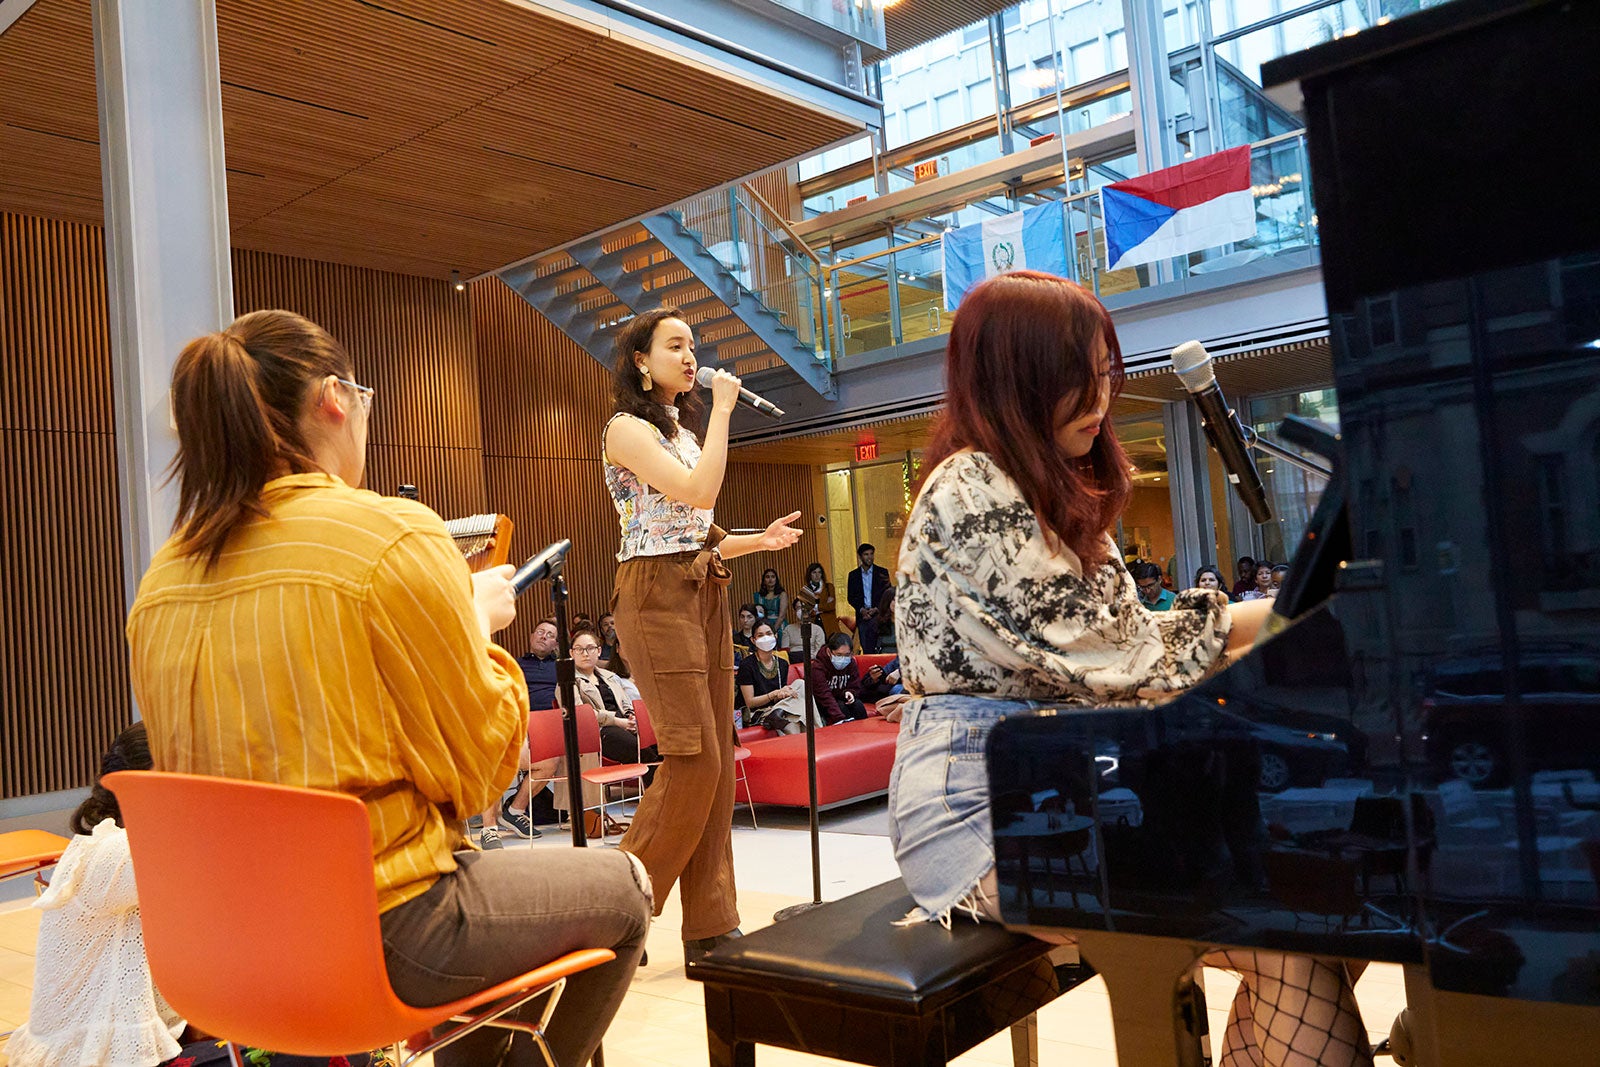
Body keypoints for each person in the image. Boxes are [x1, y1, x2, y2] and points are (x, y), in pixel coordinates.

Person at [125, 309, 650, 1067]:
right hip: (376, 937)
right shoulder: (393, 534)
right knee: (624, 887)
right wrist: (472, 626)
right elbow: (479, 777)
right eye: (366, 399)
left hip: (215, 955)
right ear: (335, 398)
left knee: (522, 913)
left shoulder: (161, 580)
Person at [886, 272, 1372, 1067]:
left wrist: (1302, 614)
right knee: (1287, 936)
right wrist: (1303, 608)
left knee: (1320, 917)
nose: (1101, 394)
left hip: (1072, 774)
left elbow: (1134, 642)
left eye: (1104, 371)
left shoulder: (1060, 491)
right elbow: (1116, 656)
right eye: (1077, 373)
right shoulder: (969, 486)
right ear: (1019, 377)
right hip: (977, 800)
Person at [601, 305, 802, 965]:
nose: (691, 357)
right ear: (640, 359)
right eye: (675, 345)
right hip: (654, 596)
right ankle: (611, 913)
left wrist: (761, 540)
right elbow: (696, 489)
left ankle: (711, 921)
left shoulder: (678, 431)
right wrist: (721, 410)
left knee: (716, 769)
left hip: (702, 588)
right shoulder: (625, 428)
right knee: (695, 757)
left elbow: (699, 527)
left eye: (693, 346)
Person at [10, 724, 373, 1067]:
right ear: (128, 787)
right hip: (105, 1057)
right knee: (332, 1051)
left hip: (166, 1038)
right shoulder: (112, 853)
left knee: (338, 1028)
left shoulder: (161, 847)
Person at [562, 624, 660, 785]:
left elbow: (626, 703)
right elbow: (580, 714)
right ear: (572, 653)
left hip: (624, 724)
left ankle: (669, 796)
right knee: (644, 753)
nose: (585, 653)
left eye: (590, 648)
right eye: (579, 649)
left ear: (599, 651)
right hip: (599, 731)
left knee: (661, 747)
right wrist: (616, 721)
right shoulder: (568, 682)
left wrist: (631, 717)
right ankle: (657, 800)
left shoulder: (611, 676)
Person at [736, 621, 812, 735]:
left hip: (780, 707)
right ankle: (815, 732)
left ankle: (780, 713)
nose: (765, 638)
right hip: (757, 712)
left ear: (775, 636)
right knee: (794, 724)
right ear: (753, 640)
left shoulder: (782, 663)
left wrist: (784, 693)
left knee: (800, 684)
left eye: (769, 634)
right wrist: (775, 694)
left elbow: (780, 696)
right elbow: (750, 702)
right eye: (760, 635)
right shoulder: (746, 665)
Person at [810, 633, 867, 724]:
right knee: (841, 707)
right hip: (821, 704)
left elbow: (855, 685)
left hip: (840, 698)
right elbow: (824, 695)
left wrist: (850, 692)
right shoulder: (817, 668)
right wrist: (839, 718)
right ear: (829, 652)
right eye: (839, 655)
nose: (843, 659)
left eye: (847, 655)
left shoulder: (851, 663)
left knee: (857, 705)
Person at [847, 543, 892, 653]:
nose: (869, 557)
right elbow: (851, 597)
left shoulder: (882, 572)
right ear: (860, 556)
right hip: (863, 618)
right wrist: (861, 610)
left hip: (879, 616)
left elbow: (887, 593)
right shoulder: (853, 575)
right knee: (867, 649)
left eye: (871, 554)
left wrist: (876, 608)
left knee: (881, 648)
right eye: (866, 554)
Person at [517, 617, 560, 709]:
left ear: (555, 645)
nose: (543, 637)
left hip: (556, 716)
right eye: (540, 632)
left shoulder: (561, 666)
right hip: (526, 717)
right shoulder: (515, 665)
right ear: (531, 637)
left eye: (550, 635)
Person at [792, 562, 839, 637]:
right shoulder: (806, 590)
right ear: (810, 574)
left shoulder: (829, 587)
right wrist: (823, 606)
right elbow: (803, 610)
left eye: (819, 572)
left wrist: (815, 607)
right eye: (814, 572)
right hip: (814, 624)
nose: (817, 575)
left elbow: (831, 606)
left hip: (829, 624)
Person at [779, 596, 826, 662]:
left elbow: (819, 650)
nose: (802, 610)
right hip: (793, 661)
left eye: (804, 607)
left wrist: (809, 658)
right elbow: (784, 651)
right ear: (795, 611)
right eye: (798, 608)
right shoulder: (788, 629)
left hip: (812, 661)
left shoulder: (818, 629)